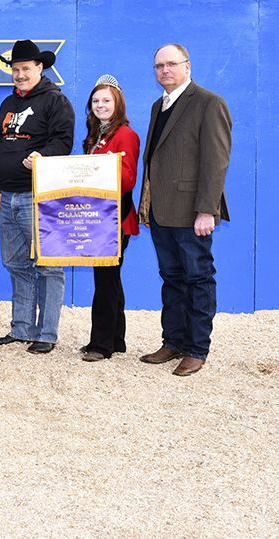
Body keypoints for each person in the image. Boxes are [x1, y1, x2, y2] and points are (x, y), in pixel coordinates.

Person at [137, 44, 231, 376]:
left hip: (192, 212)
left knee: (198, 279)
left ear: (187, 67)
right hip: (162, 212)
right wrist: (145, 206)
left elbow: (216, 161)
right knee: (172, 279)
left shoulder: (209, 103)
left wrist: (207, 209)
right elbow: (154, 162)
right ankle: (173, 341)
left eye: (171, 64)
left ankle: (196, 349)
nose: (164, 70)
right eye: (158, 65)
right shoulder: (157, 106)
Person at [0, 40, 75, 354]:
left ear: (40, 68)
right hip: (8, 196)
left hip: (39, 196)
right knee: (17, 265)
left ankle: (47, 334)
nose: (19, 74)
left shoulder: (55, 101)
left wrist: (43, 155)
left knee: (48, 267)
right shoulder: (8, 103)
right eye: (15, 69)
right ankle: (21, 328)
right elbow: (0, 147)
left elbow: (63, 141)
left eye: (25, 68)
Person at [78, 75, 140, 361]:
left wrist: (97, 169)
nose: (100, 105)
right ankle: (116, 339)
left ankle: (100, 345)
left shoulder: (125, 135)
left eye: (106, 101)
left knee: (105, 279)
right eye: (96, 101)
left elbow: (127, 181)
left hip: (115, 218)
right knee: (110, 277)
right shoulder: (96, 135)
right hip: (98, 216)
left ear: (118, 104)